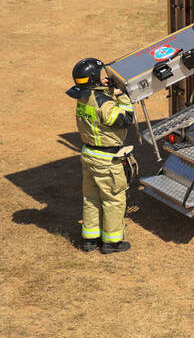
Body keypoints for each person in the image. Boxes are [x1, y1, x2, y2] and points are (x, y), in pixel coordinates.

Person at [66, 58, 135, 254]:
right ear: (95, 78)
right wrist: (123, 97)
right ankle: (112, 243)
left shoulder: (83, 97)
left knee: (91, 198)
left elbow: (96, 101)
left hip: (89, 154)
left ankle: (90, 239)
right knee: (113, 199)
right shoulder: (103, 102)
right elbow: (123, 119)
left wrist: (104, 89)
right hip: (106, 159)